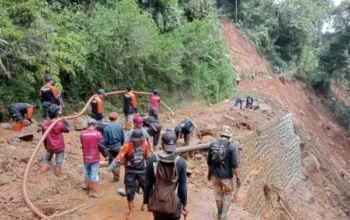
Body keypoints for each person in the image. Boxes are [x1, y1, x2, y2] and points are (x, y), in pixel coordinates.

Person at [142, 130, 189, 220]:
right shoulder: (181, 162)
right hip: (175, 204)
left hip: (157, 203)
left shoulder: (152, 160)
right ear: (175, 144)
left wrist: (146, 201)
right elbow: (182, 187)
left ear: (162, 144)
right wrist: (184, 204)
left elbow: (147, 184)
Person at [104, 129, 149, 220]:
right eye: (134, 140)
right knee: (129, 192)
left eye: (138, 140)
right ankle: (131, 211)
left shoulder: (145, 144)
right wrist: (108, 169)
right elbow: (118, 159)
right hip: (130, 171)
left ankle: (147, 204)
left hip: (142, 171)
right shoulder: (127, 146)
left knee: (147, 189)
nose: (136, 142)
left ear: (141, 139)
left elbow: (147, 158)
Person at [207, 126, 240, 220]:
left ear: (220, 134)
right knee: (229, 194)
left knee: (218, 193)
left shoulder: (212, 144)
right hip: (227, 176)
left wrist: (209, 173)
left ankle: (219, 214)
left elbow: (209, 162)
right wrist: (238, 178)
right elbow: (234, 164)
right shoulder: (231, 147)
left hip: (215, 175)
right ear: (229, 135)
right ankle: (224, 216)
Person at [41, 105, 70, 177]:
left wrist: (45, 145)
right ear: (57, 114)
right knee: (58, 162)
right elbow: (67, 129)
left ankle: (42, 173)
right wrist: (66, 122)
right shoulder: (60, 124)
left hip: (49, 146)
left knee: (47, 160)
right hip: (59, 147)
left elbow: (43, 137)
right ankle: (58, 175)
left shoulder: (44, 125)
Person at [80, 118, 103, 198]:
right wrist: (105, 155)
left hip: (85, 156)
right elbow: (101, 146)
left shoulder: (82, 133)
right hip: (94, 157)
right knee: (94, 174)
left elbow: (82, 143)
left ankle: (87, 189)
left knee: (87, 173)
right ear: (95, 125)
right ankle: (92, 192)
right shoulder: (98, 134)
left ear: (87, 125)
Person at [103, 112, 125, 182]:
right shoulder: (120, 127)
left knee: (112, 161)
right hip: (118, 146)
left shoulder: (106, 128)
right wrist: (121, 145)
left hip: (111, 148)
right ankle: (117, 175)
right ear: (116, 118)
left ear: (109, 119)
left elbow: (105, 140)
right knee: (117, 161)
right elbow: (123, 137)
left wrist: (106, 147)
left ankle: (116, 177)